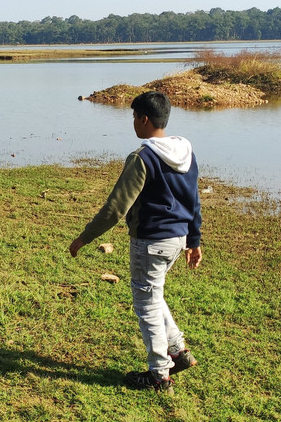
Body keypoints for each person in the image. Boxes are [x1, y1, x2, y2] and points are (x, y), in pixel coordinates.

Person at [69, 91, 202, 393]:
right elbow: (193, 201)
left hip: (151, 242)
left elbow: (116, 209)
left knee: (146, 304)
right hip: (177, 240)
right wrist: (194, 241)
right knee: (153, 295)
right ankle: (178, 352)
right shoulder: (186, 152)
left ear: (143, 119)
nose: (132, 122)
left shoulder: (143, 157)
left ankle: (159, 374)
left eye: (133, 117)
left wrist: (83, 238)